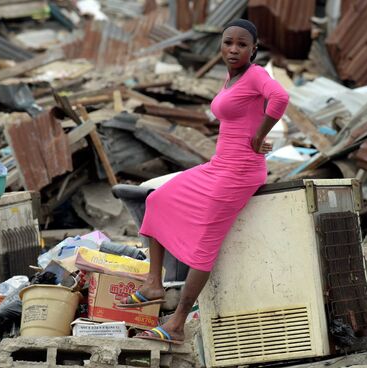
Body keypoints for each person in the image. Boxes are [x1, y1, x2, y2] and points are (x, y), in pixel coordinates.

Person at [123, 19, 289, 344]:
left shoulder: (256, 74)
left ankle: (177, 323)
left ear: (253, 49)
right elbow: (244, 114)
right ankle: (153, 283)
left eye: (242, 44)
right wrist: (253, 134)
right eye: (228, 42)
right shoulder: (233, 76)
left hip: (239, 173)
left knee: (203, 248)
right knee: (156, 199)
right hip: (219, 165)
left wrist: (258, 137)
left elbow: (280, 99)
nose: (233, 49)